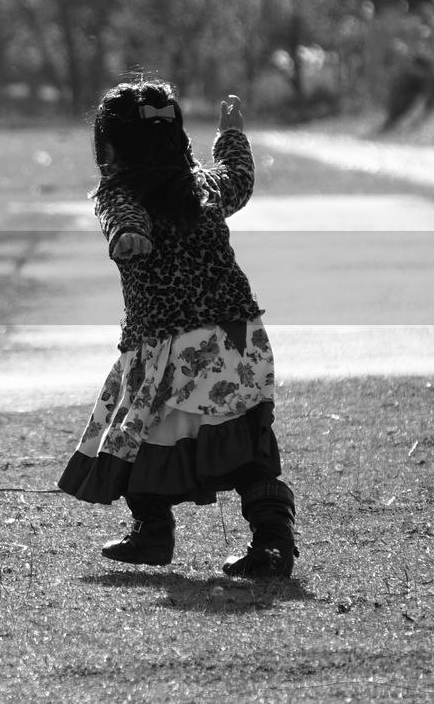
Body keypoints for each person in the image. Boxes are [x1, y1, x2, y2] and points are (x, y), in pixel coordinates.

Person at [56, 77, 298, 578]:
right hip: (237, 335)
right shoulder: (201, 187)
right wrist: (231, 134)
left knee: (141, 434)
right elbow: (237, 178)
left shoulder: (119, 193)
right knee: (246, 437)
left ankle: (152, 531)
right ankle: (273, 542)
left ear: (109, 145)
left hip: (170, 341)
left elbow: (121, 215)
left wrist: (128, 234)